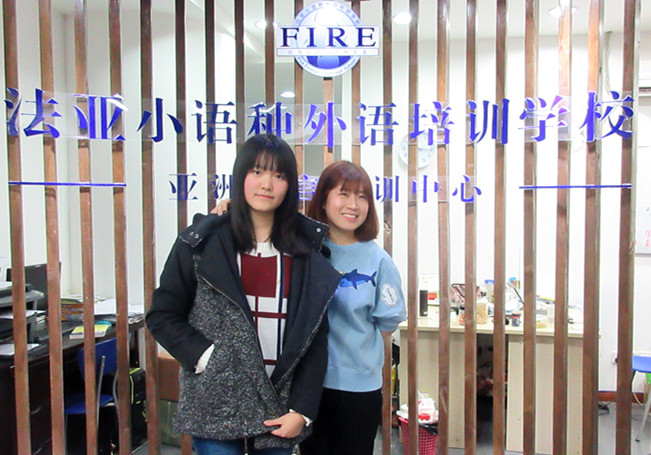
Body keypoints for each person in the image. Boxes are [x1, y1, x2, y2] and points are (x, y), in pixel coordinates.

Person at [146, 134, 342, 455]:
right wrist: (207, 358)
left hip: (278, 407)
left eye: (279, 175)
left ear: (290, 186)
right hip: (215, 403)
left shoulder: (306, 253)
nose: (267, 184)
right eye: (257, 171)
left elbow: (315, 339)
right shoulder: (201, 244)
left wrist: (302, 411)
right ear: (240, 176)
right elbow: (162, 315)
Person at [299, 161, 406, 455]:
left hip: (359, 387)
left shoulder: (379, 261)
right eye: (343, 194)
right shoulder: (305, 251)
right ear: (323, 200)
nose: (354, 205)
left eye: (362, 196)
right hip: (309, 385)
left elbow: (388, 323)